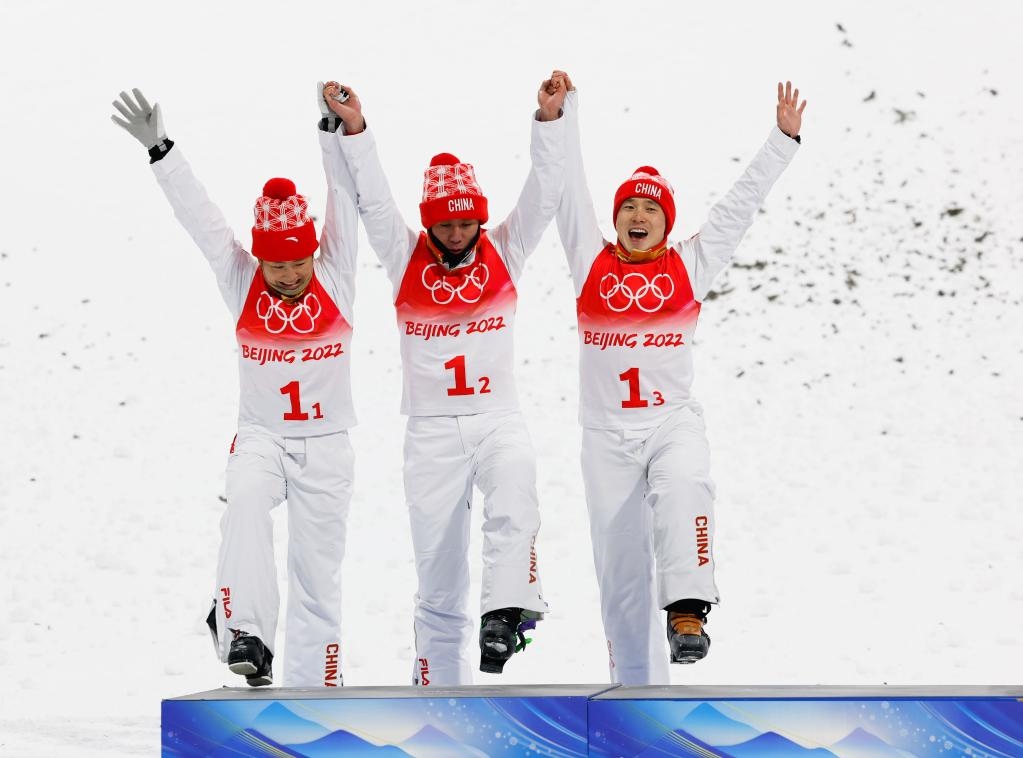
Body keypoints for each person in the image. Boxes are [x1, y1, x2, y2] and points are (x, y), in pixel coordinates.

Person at [554, 75, 806, 685]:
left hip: (670, 423)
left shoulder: (689, 264)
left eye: (650, 209)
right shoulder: (591, 260)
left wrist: (782, 140)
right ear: (616, 219)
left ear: (666, 222)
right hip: (605, 436)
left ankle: (689, 610)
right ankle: (635, 697)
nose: (638, 216)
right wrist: (563, 114)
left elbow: (740, 205)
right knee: (621, 582)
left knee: (686, 483)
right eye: (629, 208)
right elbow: (567, 188)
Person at [320, 74, 568, 685]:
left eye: (466, 224)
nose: (456, 235)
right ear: (429, 224)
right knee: (438, 575)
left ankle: (504, 614)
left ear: (480, 220)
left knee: (516, 488)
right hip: (430, 433)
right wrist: (356, 129)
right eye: (446, 226)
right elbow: (375, 201)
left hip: (496, 419)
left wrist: (550, 121)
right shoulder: (405, 257)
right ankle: (436, 690)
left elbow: (543, 193)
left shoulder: (505, 250)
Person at [110, 86, 361, 687]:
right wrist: (162, 150)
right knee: (245, 503)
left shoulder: (335, 274)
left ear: (314, 253)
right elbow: (202, 220)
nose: (290, 274)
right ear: (260, 260)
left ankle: (319, 688)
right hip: (262, 437)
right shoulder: (241, 280)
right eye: (277, 264)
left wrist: (332, 133)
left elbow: (344, 200)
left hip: (328, 443)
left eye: (298, 262)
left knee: (317, 575)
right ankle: (245, 633)